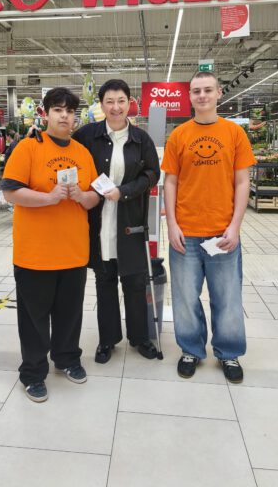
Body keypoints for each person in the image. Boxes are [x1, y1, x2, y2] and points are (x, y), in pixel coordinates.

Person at [1, 87, 99, 403]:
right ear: (46, 114)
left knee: (70, 314)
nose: (64, 116)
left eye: (69, 111)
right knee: (34, 319)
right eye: (58, 110)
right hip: (35, 253)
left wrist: (84, 197)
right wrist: (49, 198)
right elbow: (10, 192)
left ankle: (67, 358)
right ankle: (32, 373)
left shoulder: (82, 153)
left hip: (73, 251)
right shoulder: (28, 148)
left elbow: (95, 195)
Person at [162, 71, 256, 383]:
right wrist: (171, 223)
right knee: (185, 298)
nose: (201, 96)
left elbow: (242, 182)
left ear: (219, 93)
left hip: (222, 233)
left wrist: (235, 226)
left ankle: (228, 353)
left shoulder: (234, 133)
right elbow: (170, 182)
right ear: (189, 96)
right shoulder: (179, 136)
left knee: (227, 297)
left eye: (207, 90)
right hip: (185, 234)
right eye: (196, 91)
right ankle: (191, 349)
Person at [74, 79, 160, 364]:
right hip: (98, 223)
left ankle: (140, 337)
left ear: (129, 102)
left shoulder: (141, 139)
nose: (115, 107)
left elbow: (152, 174)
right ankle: (107, 339)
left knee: (135, 282)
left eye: (121, 100)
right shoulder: (87, 135)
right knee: (105, 282)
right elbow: (65, 151)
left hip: (130, 222)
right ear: (101, 104)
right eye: (109, 101)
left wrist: (124, 191)